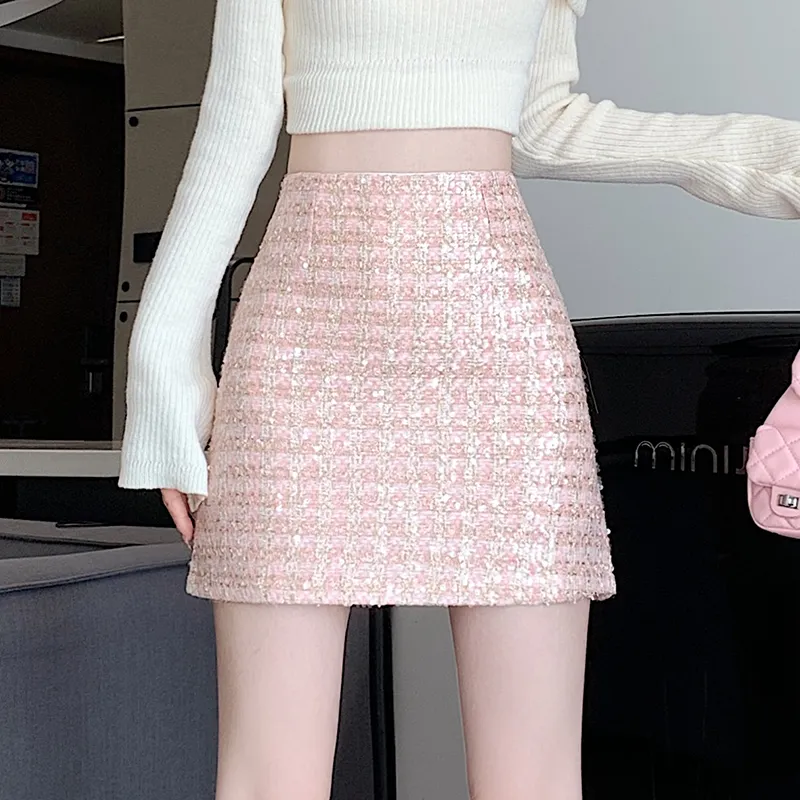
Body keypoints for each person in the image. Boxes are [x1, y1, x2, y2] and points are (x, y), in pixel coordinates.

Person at [118, 0, 800, 797]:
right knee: (269, 776)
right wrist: (166, 378)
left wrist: (775, 157)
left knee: (533, 778)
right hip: (304, 337)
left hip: (497, 335)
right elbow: (234, 131)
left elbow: (541, 122)